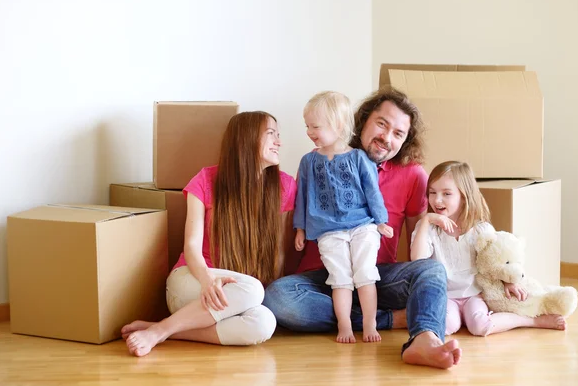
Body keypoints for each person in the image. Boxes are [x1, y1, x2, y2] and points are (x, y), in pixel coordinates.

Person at [264, 86, 462, 369]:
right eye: (382, 124)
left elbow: (416, 243)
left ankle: (425, 339)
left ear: (405, 141)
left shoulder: (414, 175)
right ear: (363, 120)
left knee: (431, 270)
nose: (386, 137)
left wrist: (419, 284)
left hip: (376, 275)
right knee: (278, 298)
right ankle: (392, 319)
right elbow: (301, 216)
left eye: (398, 133)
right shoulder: (318, 160)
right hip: (324, 277)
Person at [121, 111, 297, 357]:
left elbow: (278, 251)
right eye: (271, 134)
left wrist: (257, 294)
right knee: (253, 290)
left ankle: (162, 329)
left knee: (264, 322)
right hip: (192, 281)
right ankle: (159, 333)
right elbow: (191, 246)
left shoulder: (285, 185)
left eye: (278, 135)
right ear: (245, 138)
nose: (279, 141)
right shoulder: (205, 180)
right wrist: (207, 282)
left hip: (237, 294)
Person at [410, 160, 567, 336]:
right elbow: (417, 258)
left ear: (464, 196)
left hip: (474, 294)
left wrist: (508, 281)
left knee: (480, 327)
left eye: (447, 193)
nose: (437, 199)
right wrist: (426, 221)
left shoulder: (480, 229)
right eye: (432, 192)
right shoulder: (429, 230)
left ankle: (532, 321)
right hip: (446, 296)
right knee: (445, 327)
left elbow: (496, 260)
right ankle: (461, 319)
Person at [294, 91, 394, 343]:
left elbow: (372, 191)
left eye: (315, 126)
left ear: (337, 125)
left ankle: (371, 324)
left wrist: (380, 220)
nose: (309, 131)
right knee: (340, 279)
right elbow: (303, 196)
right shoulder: (308, 162)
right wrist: (300, 229)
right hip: (329, 231)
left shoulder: (359, 158)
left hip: (363, 226)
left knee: (365, 274)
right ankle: (345, 325)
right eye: (307, 126)